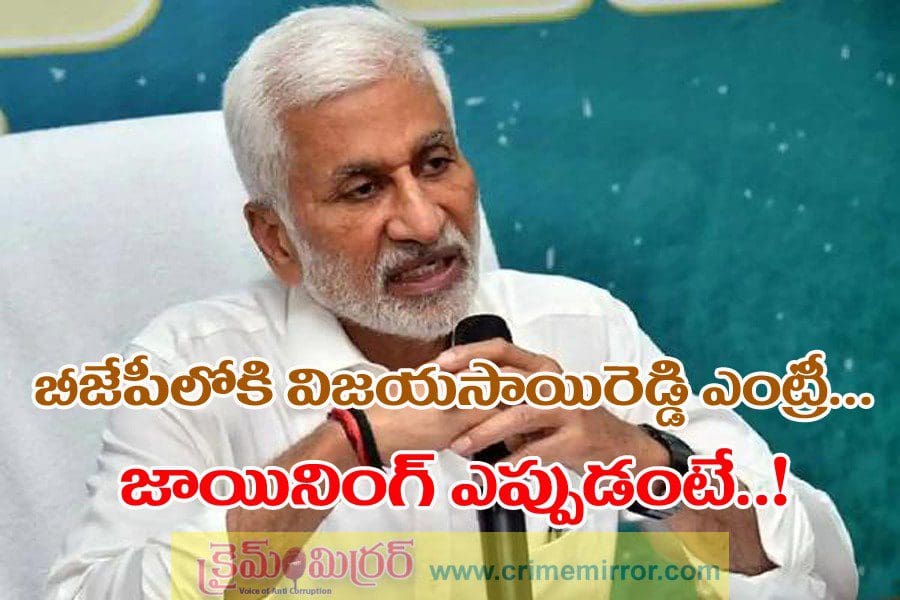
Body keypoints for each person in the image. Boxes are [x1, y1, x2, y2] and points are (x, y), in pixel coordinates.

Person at [46, 5, 853, 599]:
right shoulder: (191, 367)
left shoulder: (580, 328)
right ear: (277, 239)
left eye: (434, 164)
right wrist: (345, 447)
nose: (425, 222)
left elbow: (818, 567)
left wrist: (647, 462)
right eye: (363, 189)